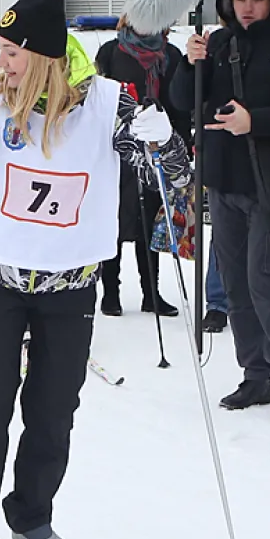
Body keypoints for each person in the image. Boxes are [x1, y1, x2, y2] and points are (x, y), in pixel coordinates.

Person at [0, 0, 187, 539]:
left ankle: (32, 517)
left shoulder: (106, 104)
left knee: (53, 409)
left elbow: (170, 176)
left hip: (71, 285)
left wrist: (163, 137)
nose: (2, 62)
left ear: (45, 55)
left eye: (12, 52)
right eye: (0, 50)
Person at [171, 0, 270, 422]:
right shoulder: (217, 43)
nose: (248, 8)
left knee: (265, 280)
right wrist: (188, 63)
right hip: (223, 179)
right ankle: (254, 374)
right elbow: (183, 103)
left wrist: (255, 121)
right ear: (227, 2)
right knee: (235, 283)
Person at [94, 16, 192, 317]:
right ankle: (110, 293)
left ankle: (152, 293)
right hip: (118, 149)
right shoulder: (110, 52)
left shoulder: (170, 55)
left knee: (150, 221)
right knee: (114, 222)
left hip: (156, 149)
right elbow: (98, 99)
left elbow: (179, 104)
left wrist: (180, 144)